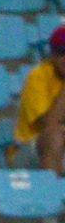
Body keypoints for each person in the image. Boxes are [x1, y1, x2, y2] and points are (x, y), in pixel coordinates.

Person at [14, 26, 65, 176]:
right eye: (62, 52)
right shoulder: (38, 77)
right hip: (29, 151)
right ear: (53, 55)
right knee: (54, 136)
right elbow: (48, 125)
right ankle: (54, 196)